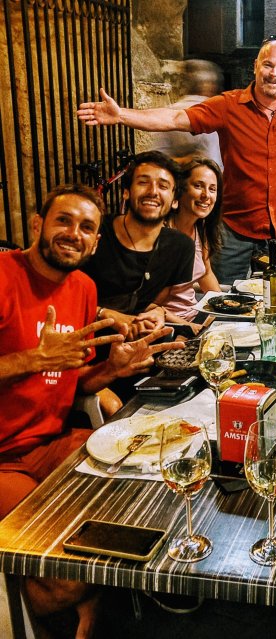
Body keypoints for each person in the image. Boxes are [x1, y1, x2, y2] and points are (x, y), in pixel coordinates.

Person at [0, 183, 183, 637]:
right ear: (38, 225)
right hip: (4, 460)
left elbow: (67, 379)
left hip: (54, 441)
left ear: (96, 242)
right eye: (63, 220)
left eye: (86, 227)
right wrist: (31, 359)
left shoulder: (82, 287)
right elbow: (42, 363)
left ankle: (93, 605)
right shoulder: (3, 276)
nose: (73, 233)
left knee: (153, 496)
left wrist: (110, 371)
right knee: (67, 578)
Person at [77, 37, 276, 284]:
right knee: (229, 301)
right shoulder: (228, 106)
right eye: (268, 65)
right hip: (235, 229)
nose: (275, 74)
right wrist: (122, 115)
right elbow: (175, 118)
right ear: (256, 66)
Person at [81, 150, 195, 338]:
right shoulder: (94, 232)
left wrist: (158, 311)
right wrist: (105, 314)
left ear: (175, 201)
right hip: (85, 339)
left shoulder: (180, 247)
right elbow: (59, 297)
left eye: (163, 186)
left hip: (136, 341)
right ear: (126, 192)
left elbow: (149, 303)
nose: (153, 192)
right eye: (143, 182)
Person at [161, 157, 223, 327]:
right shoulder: (162, 233)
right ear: (180, 190)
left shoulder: (200, 228)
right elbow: (148, 304)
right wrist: (189, 328)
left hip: (195, 315)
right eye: (198, 186)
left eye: (212, 189)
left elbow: (206, 274)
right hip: (168, 325)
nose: (206, 195)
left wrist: (227, 308)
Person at [152, 59, 224, 169]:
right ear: (211, 85)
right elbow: (215, 159)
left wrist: (183, 161)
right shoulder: (215, 113)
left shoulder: (171, 112)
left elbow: (158, 156)